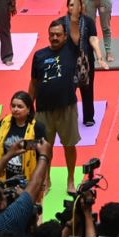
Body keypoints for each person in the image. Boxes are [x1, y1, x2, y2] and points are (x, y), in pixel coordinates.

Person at [29, 20, 80, 194]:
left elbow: (74, 25)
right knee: (43, 147)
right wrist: (29, 106)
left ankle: (71, 179)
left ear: (66, 36)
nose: (55, 38)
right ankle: (46, 178)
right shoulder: (39, 55)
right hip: (43, 110)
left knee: (69, 146)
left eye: (58, 34)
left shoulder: (71, 50)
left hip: (67, 108)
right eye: (52, 34)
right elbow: (34, 82)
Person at [65, 0, 109, 125]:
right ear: (67, 7)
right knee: (68, 91)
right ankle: (67, 118)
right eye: (71, 5)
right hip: (68, 63)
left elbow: (93, 39)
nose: (74, 7)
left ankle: (88, 117)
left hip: (86, 62)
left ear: (81, 7)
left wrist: (100, 58)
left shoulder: (89, 22)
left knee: (87, 89)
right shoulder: (62, 22)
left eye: (77, 5)